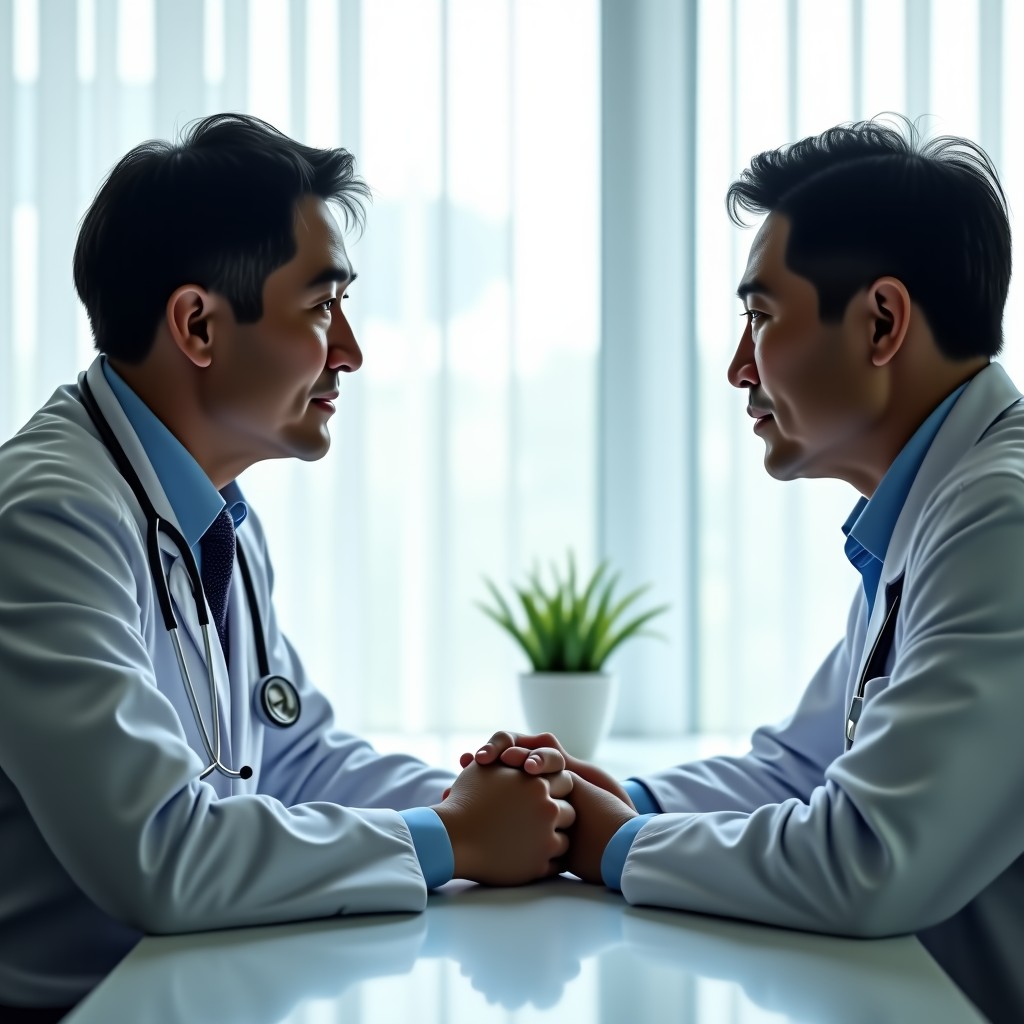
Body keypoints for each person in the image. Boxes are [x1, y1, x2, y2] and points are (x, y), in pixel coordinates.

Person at [0, 114, 573, 1019]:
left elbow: (297, 758)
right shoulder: (50, 520)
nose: (350, 351)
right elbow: (163, 854)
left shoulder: (214, 508)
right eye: (319, 308)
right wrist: (454, 838)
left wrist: (490, 798)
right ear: (198, 325)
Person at [467, 117, 1024, 1024]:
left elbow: (867, 859)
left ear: (882, 322)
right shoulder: (936, 506)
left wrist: (615, 845)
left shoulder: (1000, 519)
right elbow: (799, 767)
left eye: (761, 319)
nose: (737, 368)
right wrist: (612, 797)